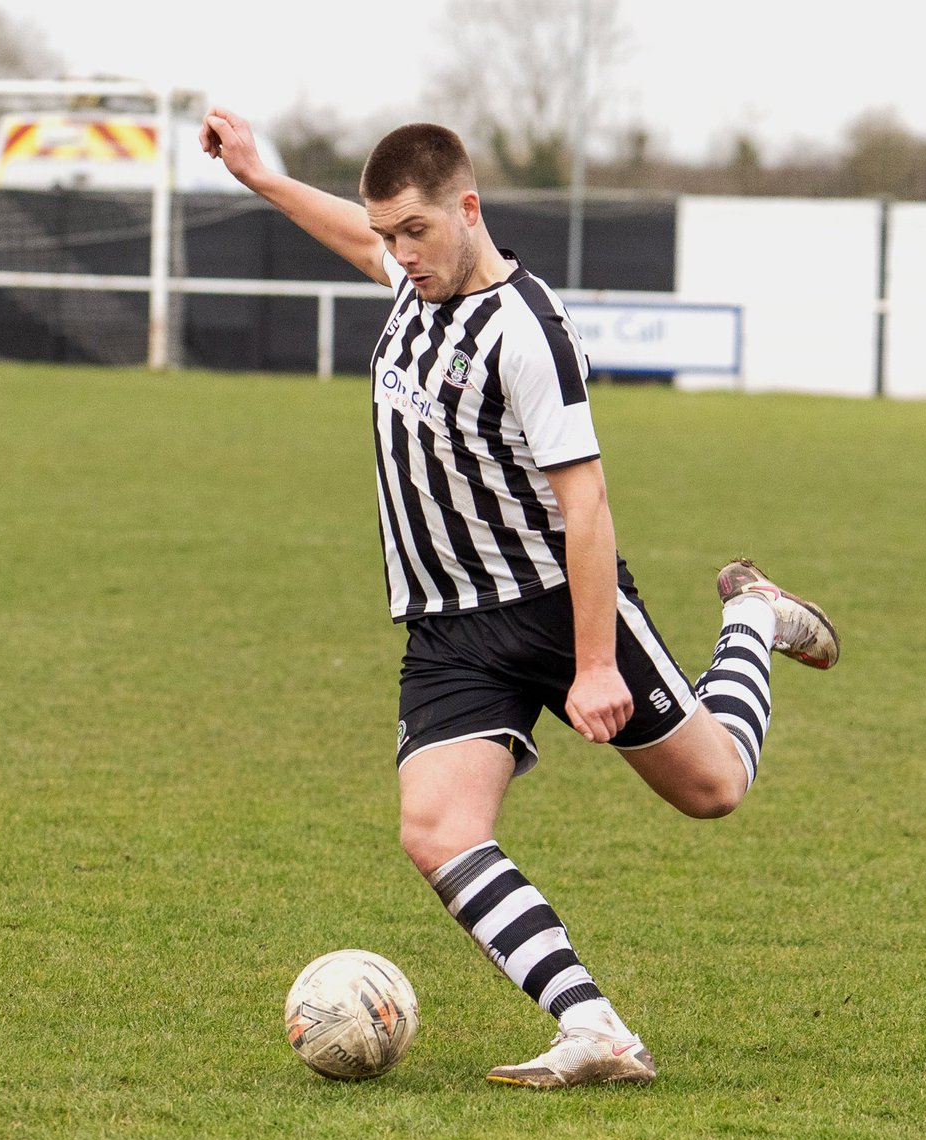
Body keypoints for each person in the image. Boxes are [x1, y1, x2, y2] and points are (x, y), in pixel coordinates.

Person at [199, 108, 840, 1090]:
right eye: (388, 236)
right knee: (436, 831)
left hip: (555, 601)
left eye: (415, 231)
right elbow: (351, 229)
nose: (399, 253)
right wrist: (259, 176)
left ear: (467, 208)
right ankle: (597, 1031)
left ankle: (751, 618)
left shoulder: (526, 330)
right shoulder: (413, 282)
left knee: (714, 790)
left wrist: (591, 664)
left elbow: (587, 508)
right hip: (450, 629)